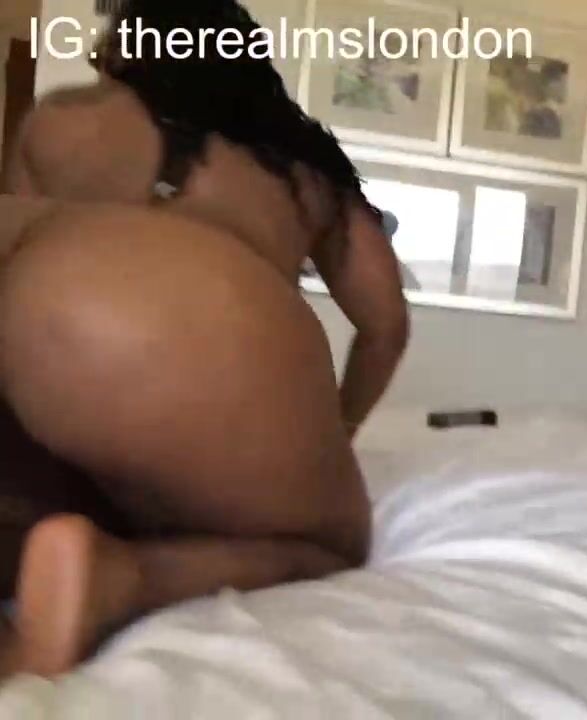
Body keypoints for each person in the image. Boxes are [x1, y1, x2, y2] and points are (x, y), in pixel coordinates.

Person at [0, 0, 408, 677]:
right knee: (326, 544)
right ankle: (120, 576)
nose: (99, 49)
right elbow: (385, 326)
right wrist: (334, 430)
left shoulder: (61, 118)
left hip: (21, 280)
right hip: (163, 317)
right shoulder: (297, 163)